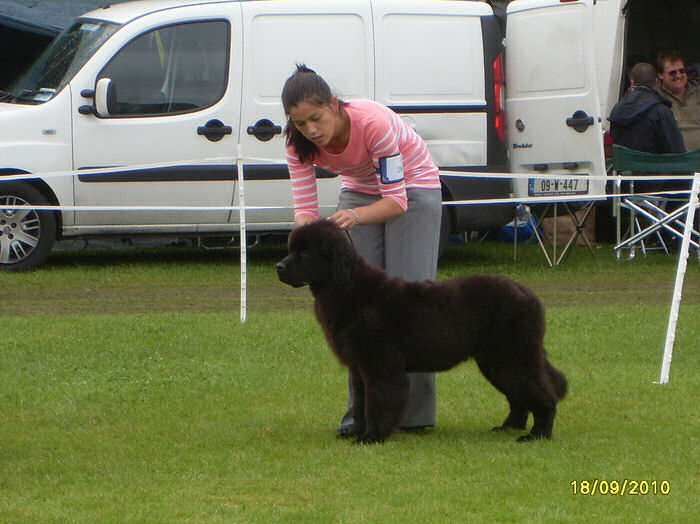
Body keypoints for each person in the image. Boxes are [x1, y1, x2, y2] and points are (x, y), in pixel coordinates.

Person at [281, 64, 442, 432]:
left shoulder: (373, 123)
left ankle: (413, 418)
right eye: (301, 123)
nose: (312, 131)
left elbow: (396, 202)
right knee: (356, 308)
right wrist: (304, 248)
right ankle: (362, 418)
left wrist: (353, 218)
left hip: (413, 191)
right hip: (359, 190)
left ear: (335, 104)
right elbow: (305, 210)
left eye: (316, 118)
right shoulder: (297, 143)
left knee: (410, 300)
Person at [608, 62, 686, 155]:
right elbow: (677, 152)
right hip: (657, 168)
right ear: (656, 82)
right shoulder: (661, 111)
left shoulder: (617, 110)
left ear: (632, 82)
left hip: (626, 168)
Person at [656, 51, 700, 151]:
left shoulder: (698, 92)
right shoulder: (654, 99)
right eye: (672, 73)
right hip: (675, 161)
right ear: (661, 75)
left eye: (682, 71)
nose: (678, 75)